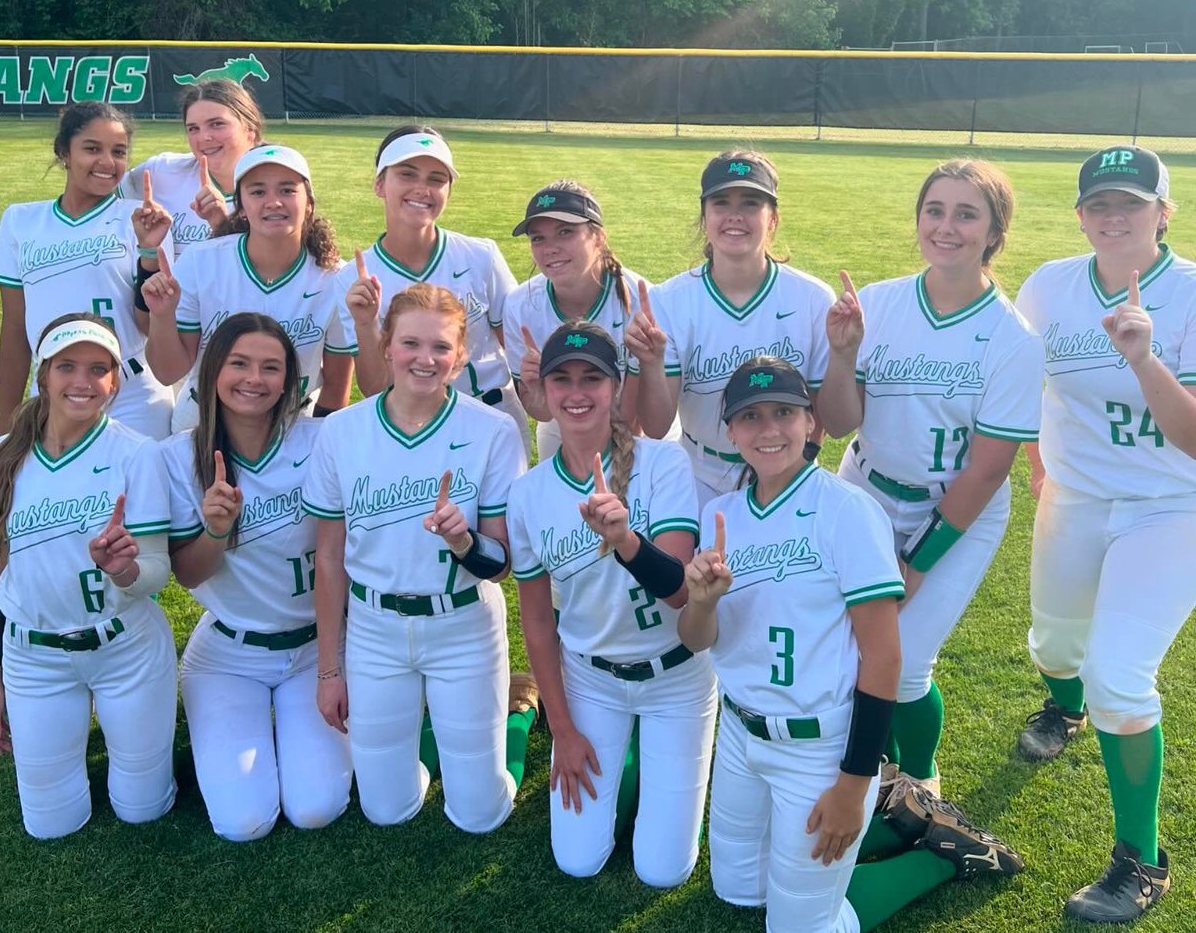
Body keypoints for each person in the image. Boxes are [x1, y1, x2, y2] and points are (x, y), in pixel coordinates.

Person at [678, 356, 1024, 933]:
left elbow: (885, 656)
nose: (768, 430)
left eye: (784, 413)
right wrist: (703, 601)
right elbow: (697, 641)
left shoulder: (848, 511)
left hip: (819, 747)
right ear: (730, 432)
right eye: (751, 417)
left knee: (798, 928)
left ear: (811, 423)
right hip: (741, 736)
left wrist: (853, 781)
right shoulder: (720, 515)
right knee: (738, 890)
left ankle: (936, 856)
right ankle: (888, 822)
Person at [816, 160, 1043, 803]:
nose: (946, 227)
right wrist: (841, 356)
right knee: (851, 643)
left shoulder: (1012, 339)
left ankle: (920, 775)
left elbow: (987, 470)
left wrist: (917, 561)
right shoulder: (880, 304)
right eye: (934, 210)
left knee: (906, 663)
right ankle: (876, 765)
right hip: (863, 489)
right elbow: (837, 424)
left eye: (967, 214)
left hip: (957, 513)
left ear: (995, 232)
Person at [1014, 145, 1196, 922]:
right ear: (1081, 213)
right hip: (1078, 494)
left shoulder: (1189, 294)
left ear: (1165, 212)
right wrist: (1038, 457)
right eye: (1098, 204)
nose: (1113, 215)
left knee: (1119, 674)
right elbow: (1020, 378)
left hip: (1171, 504)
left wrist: (1146, 359)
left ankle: (1141, 859)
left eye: (1131, 202)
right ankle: (1063, 707)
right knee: (1055, 646)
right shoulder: (1051, 285)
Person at [303, 283, 533, 831]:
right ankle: (444, 733)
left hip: (463, 625)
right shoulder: (340, 431)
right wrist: (330, 671)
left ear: (459, 358)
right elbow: (329, 561)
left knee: (480, 813)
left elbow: (501, 564)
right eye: (410, 343)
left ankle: (518, 715)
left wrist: (466, 543)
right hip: (375, 630)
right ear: (386, 348)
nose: (424, 359)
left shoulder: (494, 431)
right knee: (387, 810)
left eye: (441, 348)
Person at [507, 321, 716, 886]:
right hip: (591, 678)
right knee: (577, 861)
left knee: (662, 871)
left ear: (617, 386)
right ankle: (599, 748)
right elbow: (537, 624)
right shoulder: (527, 494)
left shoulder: (664, 462)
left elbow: (677, 589)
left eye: (592, 378)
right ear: (544, 394)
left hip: (676, 676)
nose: (577, 393)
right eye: (562, 380)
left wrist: (626, 542)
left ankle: (645, 766)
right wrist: (566, 730)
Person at [162, 312, 351, 842]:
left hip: (319, 648)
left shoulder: (324, 439)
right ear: (212, 371)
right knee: (243, 822)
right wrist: (216, 530)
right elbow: (187, 573)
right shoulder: (178, 457)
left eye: (271, 367)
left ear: (291, 380)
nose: (254, 379)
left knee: (316, 807)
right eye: (239, 363)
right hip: (228, 655)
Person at [0, 313, 176, 838]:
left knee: (143, 808)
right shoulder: (4, 455)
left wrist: (124, 571)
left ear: (115, 382)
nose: (82, 381)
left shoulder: (136, 454)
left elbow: (156, 573)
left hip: (125, 650)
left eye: (99, 369)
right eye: (67, 366)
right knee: (49, 825)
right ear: (43, 375)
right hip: (34, 658)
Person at [628, 151, 834, 507]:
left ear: (773, 220)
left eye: (751, 203)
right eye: (721, 203)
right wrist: (651, 362)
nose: (735, 216)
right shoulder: (669, 300)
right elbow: (657, 426)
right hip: (700, 471)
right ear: (705, 217)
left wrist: (795, 469)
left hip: (788, 469)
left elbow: (822, 416)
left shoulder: (813, 298)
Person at [339, 125, 529, 456]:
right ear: (380, 184)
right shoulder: (353, 279)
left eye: (436, 179)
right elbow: (374, 388)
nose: (422, 189)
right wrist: (366, 323)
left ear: (449, 191)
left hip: (493, 415)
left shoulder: (480, 256)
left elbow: (516, 345)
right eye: (407, 174)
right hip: (412, 429)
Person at [140, 143, 352, 433]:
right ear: (240, 207)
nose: (273, 201)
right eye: (258, 191)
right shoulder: (201, 262)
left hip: (293, 423)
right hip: (206, 419)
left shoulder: (335, 278)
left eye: (287, 190)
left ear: (309, 203)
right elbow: (168, 373)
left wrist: (318, 443)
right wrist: (161, 317)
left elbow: (337, 387)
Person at [0, 103, 175, 439]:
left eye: (119, 152)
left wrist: (149, 250)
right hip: (55, 392)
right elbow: (16, 329)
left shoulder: (144, 219)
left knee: (141, 491)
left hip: (133, 394)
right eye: (92, 148)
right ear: (64, 151)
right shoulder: (21, 221)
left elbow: (150, 324)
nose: (108, 162)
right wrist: (6, 426)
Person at [503, 181, 648, 459]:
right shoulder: (520, 306)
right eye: (538, 238)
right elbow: (542, 412)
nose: (550, 248)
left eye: (565, 232)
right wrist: (534, 389)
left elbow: (641, 417)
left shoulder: (642, 299)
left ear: (599, 237)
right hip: (564, 425)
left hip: (637, 428)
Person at [119, 80, 265, 255]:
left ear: (250, 129)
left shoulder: (277, 186)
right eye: (193, 128)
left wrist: (221, 224)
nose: (204, 137)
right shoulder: (163, 171)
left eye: (217, 124)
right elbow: (97, 194)